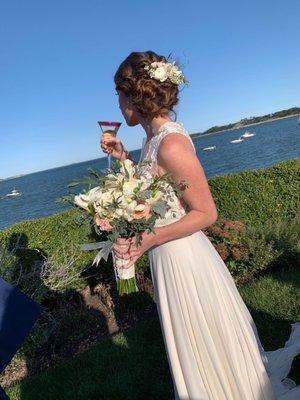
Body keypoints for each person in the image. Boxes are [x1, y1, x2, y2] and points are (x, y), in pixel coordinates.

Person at [100, 50, 300, 399]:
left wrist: (148, 240)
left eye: (119, 93)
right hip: (168, 255)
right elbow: (156, 194)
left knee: (202, 334)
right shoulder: (150, 142)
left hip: (184, 259)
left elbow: (206, 213)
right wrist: (124, 159)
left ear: (136, 95)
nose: (117, 103)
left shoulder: (172, 143)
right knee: (195, 340)